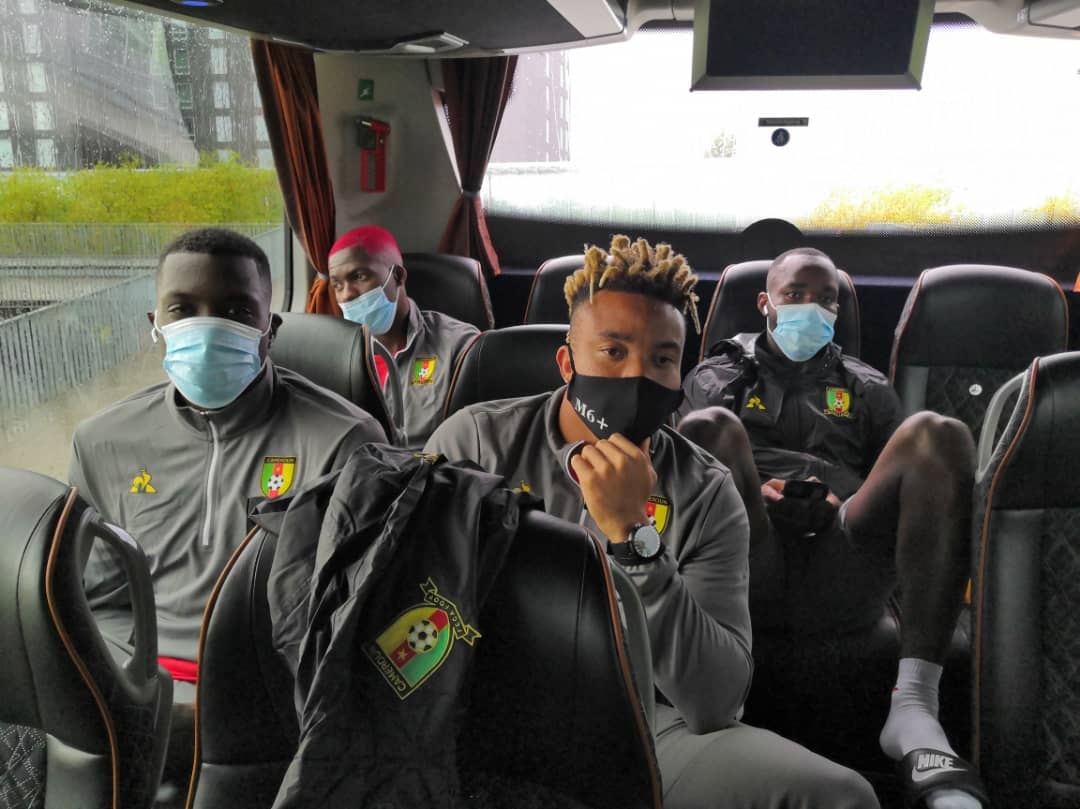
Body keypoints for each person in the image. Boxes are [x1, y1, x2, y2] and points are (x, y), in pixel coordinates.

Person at [425, 235, 880, 809]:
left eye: (662, 359)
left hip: (638, 724)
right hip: (483, 709)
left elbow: (716, 701)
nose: (637, 375)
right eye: (613, 352)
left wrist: (634, 538)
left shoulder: (706, 489)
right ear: (567, 363)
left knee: (842, 797)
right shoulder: (473, 443)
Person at [679, 247, 986, 809]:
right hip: (748, 553)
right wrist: (759, 493)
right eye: (795, 295)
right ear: (765, 302)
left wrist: (842, 497)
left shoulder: (866, 385)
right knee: (710, 429)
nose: (812, 308)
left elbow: (898, 489)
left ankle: (915, 707)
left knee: (938, 433)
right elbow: (683, 472)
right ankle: (700, 689)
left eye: (826, 299)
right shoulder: (716, 375)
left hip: (841, 556)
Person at [69, 227, 385, 689]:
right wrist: (133, 692)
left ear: (270, 330)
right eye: (182, 309)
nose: (208, 328)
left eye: (237, 311)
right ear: (156, 324)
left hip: (276, 686)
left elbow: (355, 609)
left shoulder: (344, 440)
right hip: (143, 683)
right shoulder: (101, 442)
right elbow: (99, 600)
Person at [327, 225, 480, 449]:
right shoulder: (331, 356)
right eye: (337, 285)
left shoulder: (460, 345)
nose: (346, 294)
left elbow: (472, 443)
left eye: (359, 276)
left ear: (397, 276)